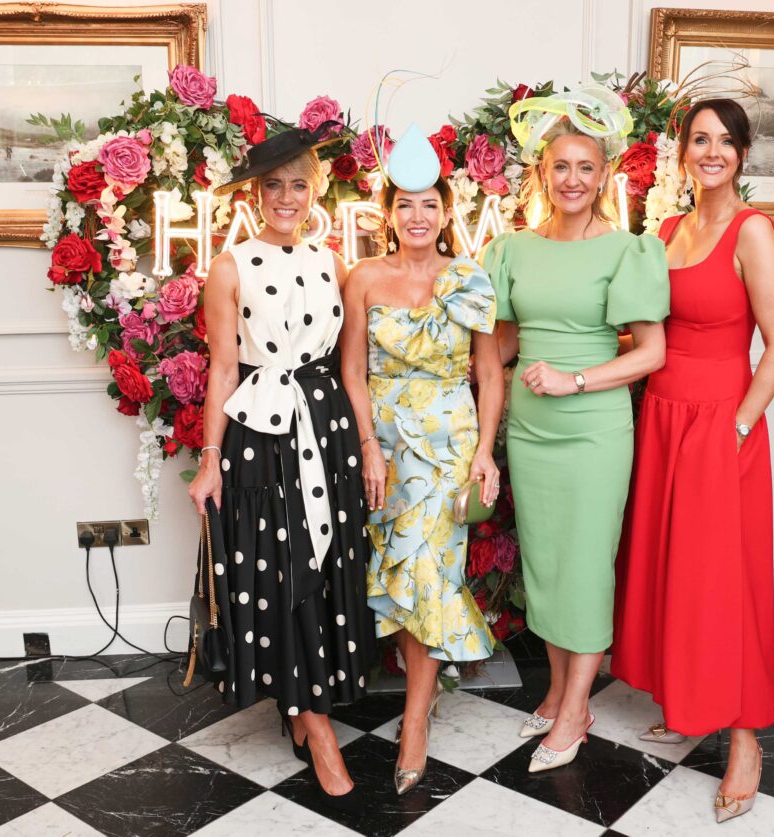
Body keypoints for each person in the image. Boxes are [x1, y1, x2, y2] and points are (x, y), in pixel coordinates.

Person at [611, 98, 774, 823]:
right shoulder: (667, 230)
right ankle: (687, 700)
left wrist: (740, 427)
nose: (711, 152)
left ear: (742, 153)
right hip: (662, 417)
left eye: (724, 141)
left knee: (727, 580)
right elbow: (648, 334)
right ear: (683, 151)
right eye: (699, 140)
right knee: (672, 568)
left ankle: (745, 740)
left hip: (722, 424)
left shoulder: (754, 231)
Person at [482, 87, 669, 774]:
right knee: (548, 564)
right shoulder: (513, 250)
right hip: (531, 432)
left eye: (585, 167)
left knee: (586, 567)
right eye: (560, 165)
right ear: (542, 172)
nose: (572, 179)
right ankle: (561, 689)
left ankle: (575, 710)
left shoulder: (626, 250)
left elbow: (651, 353)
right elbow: (502, 344)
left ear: (605, 174)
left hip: (593, 431)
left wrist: (575, 380)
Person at [188, 127, 375, 812]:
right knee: (282, 568)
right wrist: (210, 459)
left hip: (326, 426)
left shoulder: (334, 263)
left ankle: (304, 706)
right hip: (260, 435)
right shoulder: (229, 265)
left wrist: (366, 441)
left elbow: (351, 365)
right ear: (255, 194)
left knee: (323, 564)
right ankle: (318, 729)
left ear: (315, 191)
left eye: (299, 184)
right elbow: (223, 367)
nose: (287, 197)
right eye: (274, 185)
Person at [341, 126, 504, 795]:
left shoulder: (468, 278)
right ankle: (421, 697)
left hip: (447, 446)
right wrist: (367, 446)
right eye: (404, 204)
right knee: (397, 571)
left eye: (429, 205)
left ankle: (413, 724)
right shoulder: (363, 278)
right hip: (384, 448)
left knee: (432, 573)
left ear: (445, 212)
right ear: (387, 212)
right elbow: (352, 371)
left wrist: (485, 452)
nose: (417, 216)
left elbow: (489, 373)